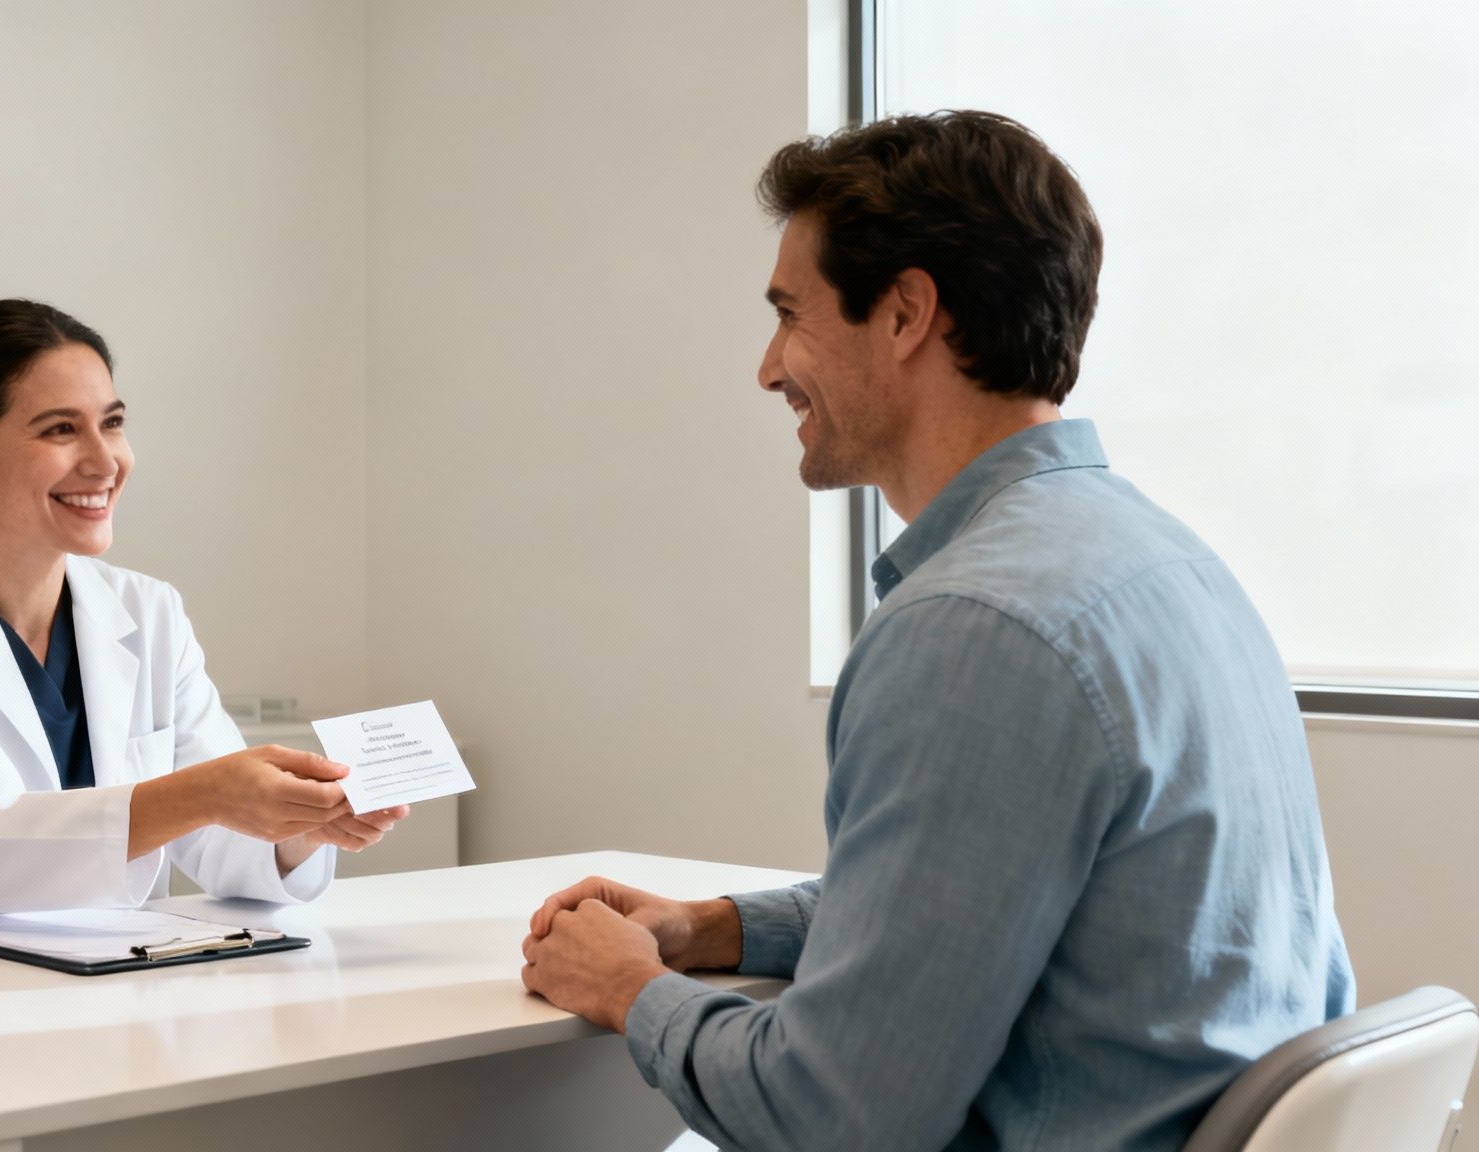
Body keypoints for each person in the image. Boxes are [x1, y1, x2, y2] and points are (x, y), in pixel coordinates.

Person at [519, 112, 1353, 1150]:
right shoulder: (1170, 567)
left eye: (789, 314)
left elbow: (828, 1117)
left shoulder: (974, 629)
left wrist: (629, 989)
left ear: (906, 312)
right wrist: (713, 930)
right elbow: (979, 905)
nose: (767, 367)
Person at [0, 299, 406, 929]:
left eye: (112, 423)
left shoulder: (148, 612)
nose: (105, 461)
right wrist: (202, 793)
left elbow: (222, 843)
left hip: (111, 979)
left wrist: (300, 828)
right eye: (60, 430)